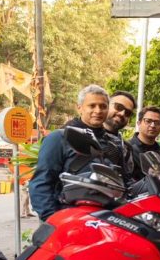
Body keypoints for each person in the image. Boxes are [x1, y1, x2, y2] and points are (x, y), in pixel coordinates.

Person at [30, 85, 128, 221]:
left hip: (107, 220)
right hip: (70, 219)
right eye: (92, 106)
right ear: (80, 107)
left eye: (103, 106)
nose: (98, 111)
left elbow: (123, 182)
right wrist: (54, 219)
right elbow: (41, 183)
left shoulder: (114, 144)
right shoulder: (59, 138)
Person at [102, 91, 136, 185]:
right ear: (106, 105)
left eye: (128, 113)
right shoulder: (81, 131)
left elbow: (127, 180)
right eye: (118, 107)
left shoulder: (126, 147)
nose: (122, 113)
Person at [128, 106, 160, 181]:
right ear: (139, 123)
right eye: (148, 121)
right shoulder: (127, 149)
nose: (152, 125)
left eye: (157, 122)